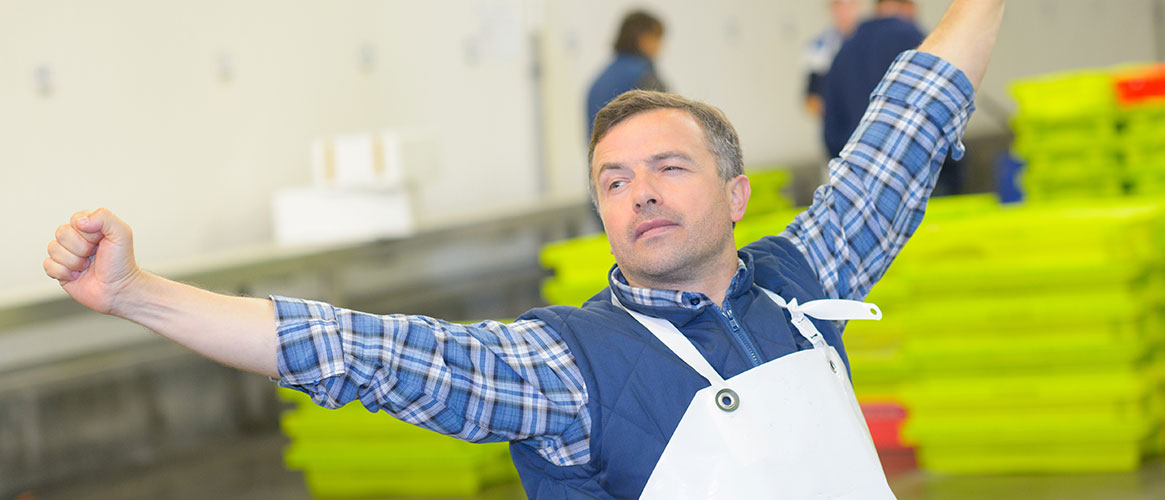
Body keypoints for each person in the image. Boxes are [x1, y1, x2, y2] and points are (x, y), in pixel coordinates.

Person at [43, 0, 1004, 497]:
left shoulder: (807, 278)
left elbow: (908, 125)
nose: (639, 194)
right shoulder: (567, 366)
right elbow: (357, 352)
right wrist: (138, 294)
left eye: (668, 167)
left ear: (737, 193)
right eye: (614, 181)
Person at [823, 0, 965, 196]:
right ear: (906, 7)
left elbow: (831, 130)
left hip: (862, 189)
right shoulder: (914, 40)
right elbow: (944, 109)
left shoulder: (842, 53)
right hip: (923, 184)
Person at [586, 10, 667, 140]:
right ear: (644, 39)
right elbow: (665, 127)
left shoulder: (598, 80)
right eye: (658, 39)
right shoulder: (644, 76)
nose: (661, 47)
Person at [803, 0, 861, 117]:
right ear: (832, 7)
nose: (846, 11)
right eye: (840, 5)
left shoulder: (870, 42)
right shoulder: (820, 47)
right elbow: (812, 99)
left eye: (850, 5)